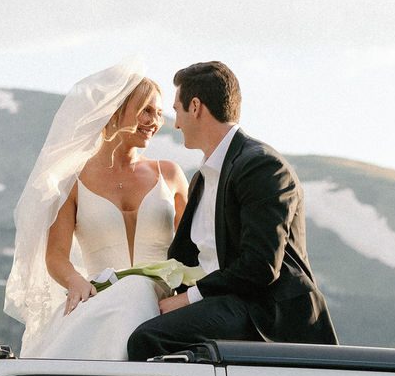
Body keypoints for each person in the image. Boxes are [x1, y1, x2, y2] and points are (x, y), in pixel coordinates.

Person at [126, 61, 337, 358]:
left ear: (196, 107)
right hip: (223, 304)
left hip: (264, 311)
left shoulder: (262, 166)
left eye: (177, 111)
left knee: (148, 339)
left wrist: (190, 299)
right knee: (129, 318)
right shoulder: (203, 177)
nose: (175, 124)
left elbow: (260, 267)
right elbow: (182, 257)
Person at [4, 62, 189, 359]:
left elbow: (196, 247)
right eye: (146, 110)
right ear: (114, 111)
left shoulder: (170, 174)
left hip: (164, 305)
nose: (155, 121)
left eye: (158, 112)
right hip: (101, 300)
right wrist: (76, 283)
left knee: (140, 292)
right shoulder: (73, 181)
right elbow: (56, 256)